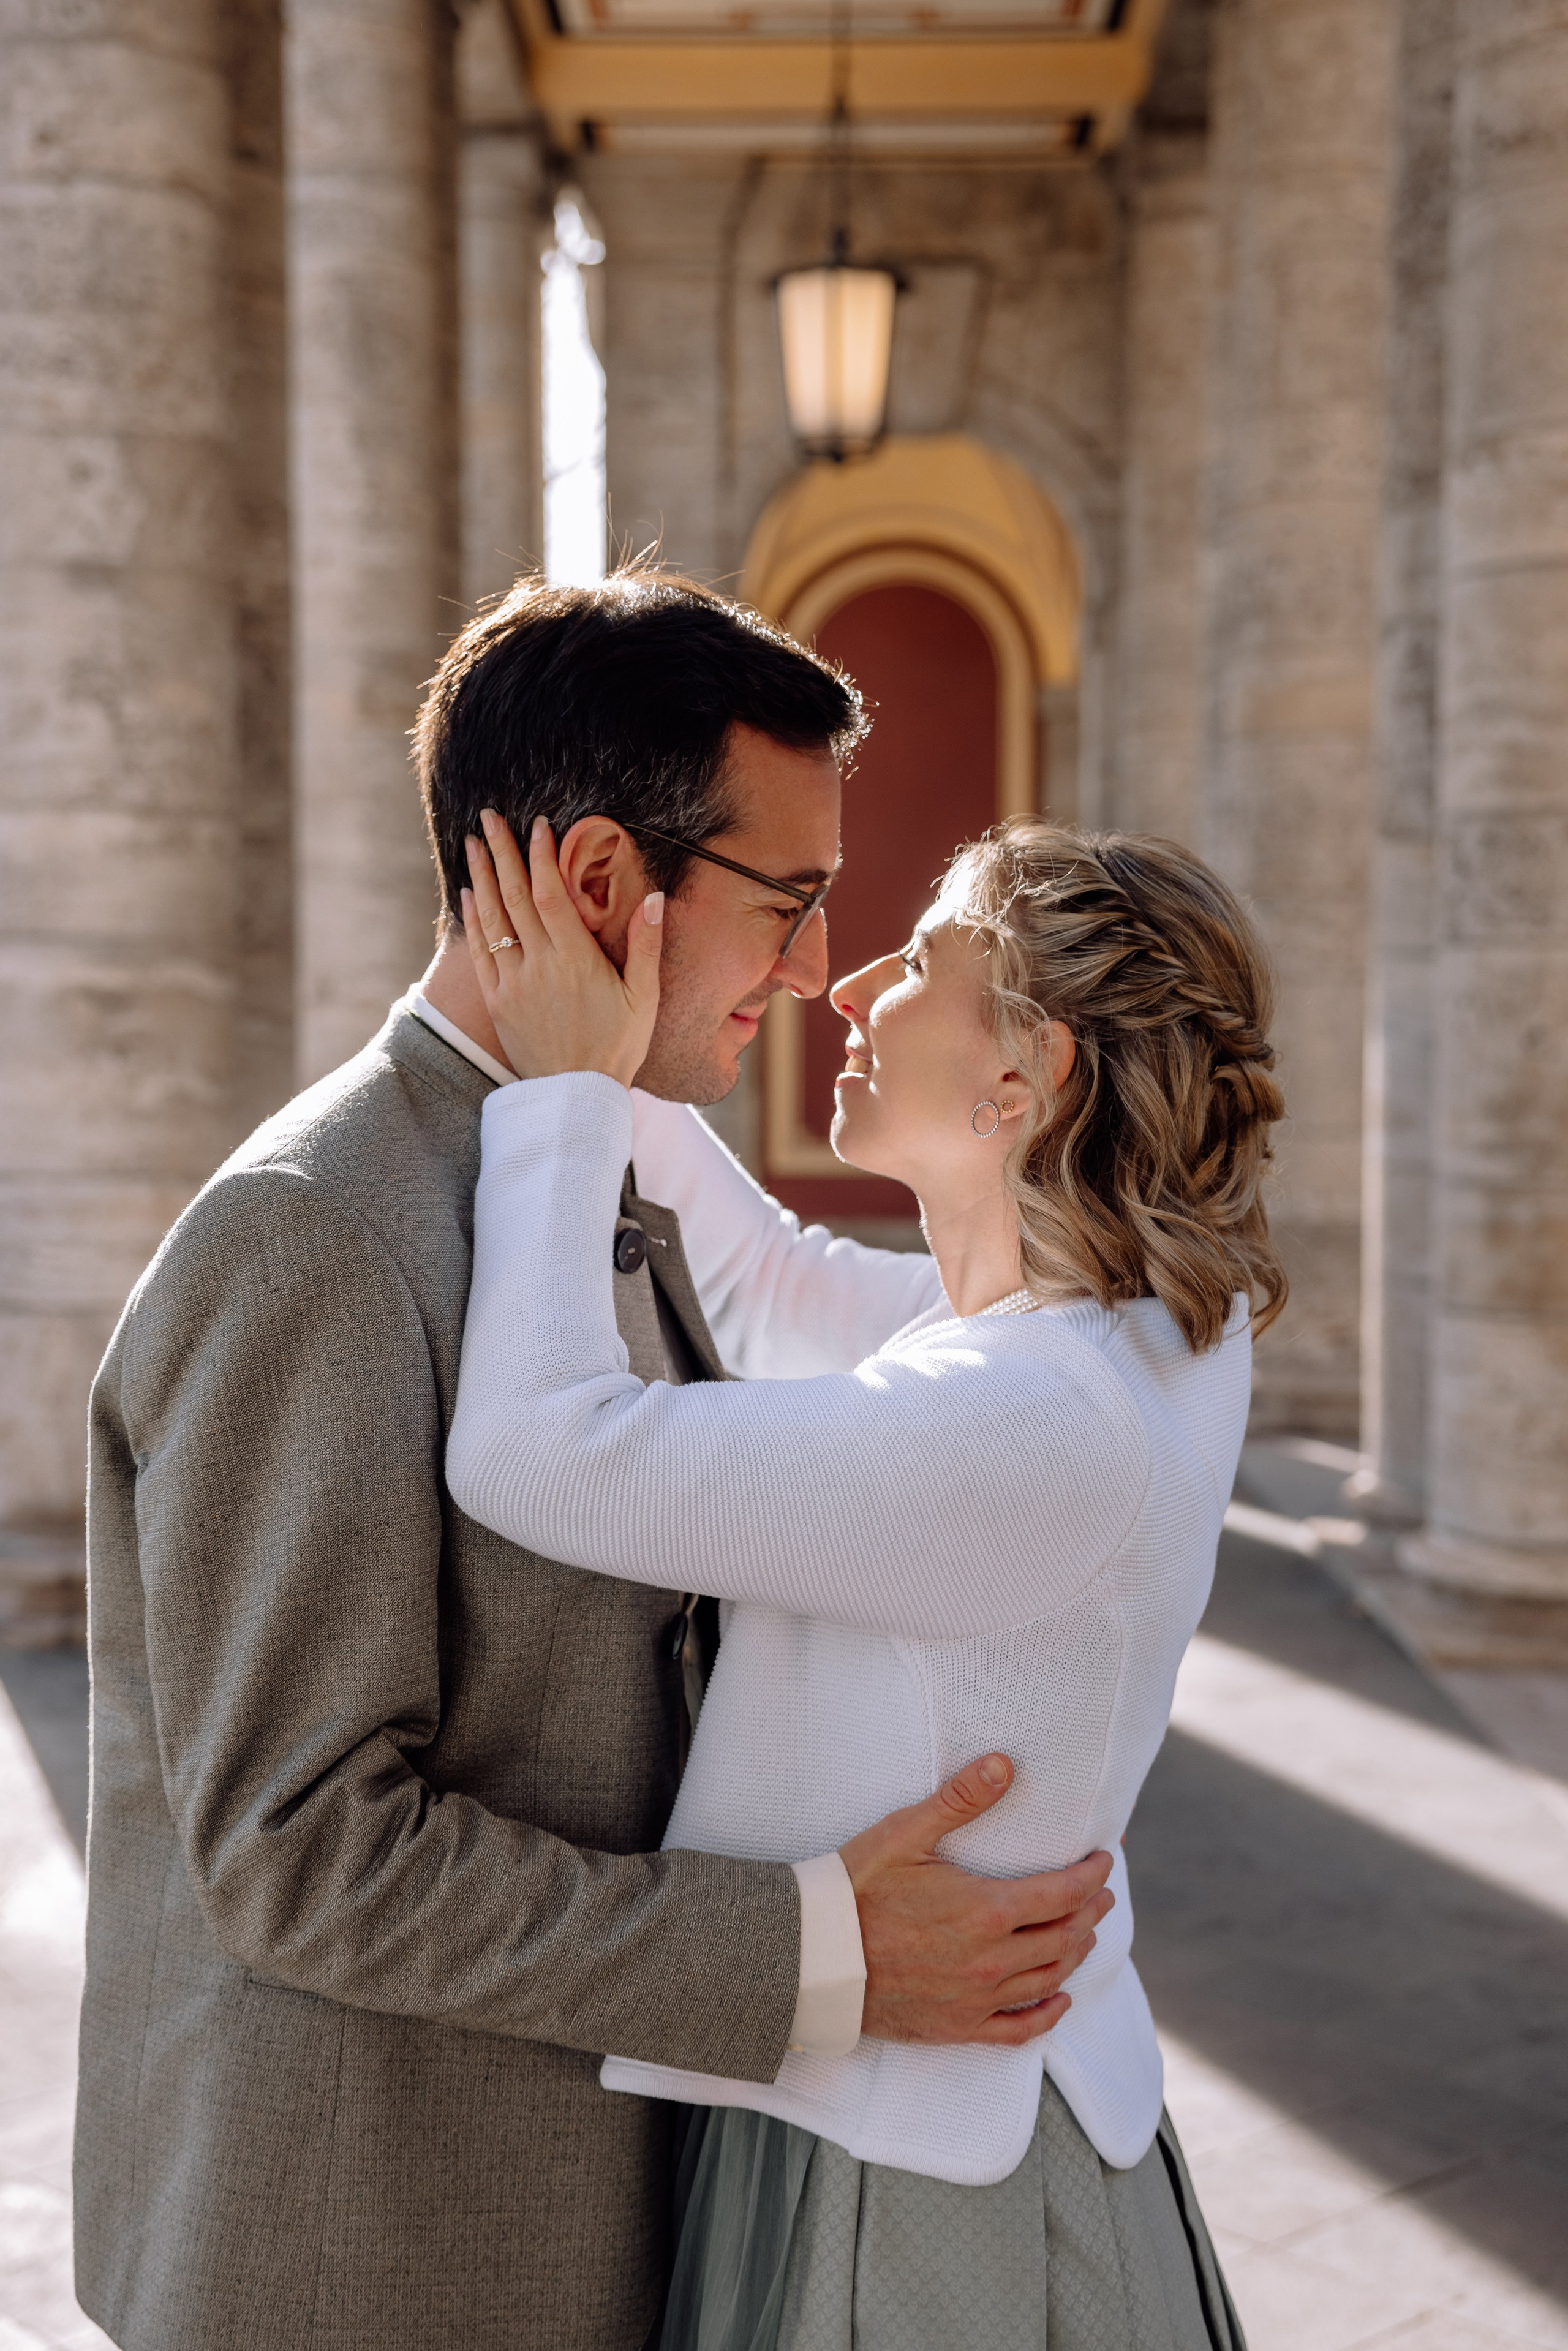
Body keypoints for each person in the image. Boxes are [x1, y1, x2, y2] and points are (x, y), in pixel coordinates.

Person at [74, 571, 1112, 2351]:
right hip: (373, 2257)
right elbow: (299, 1848)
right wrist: (817, 1951)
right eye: (787, 900)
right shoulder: (316, 1235)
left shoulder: (573, 1154)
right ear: (598, 884)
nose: (807, 972)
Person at [446, 804, 1287, 2351]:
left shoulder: (1028, 1424)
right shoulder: (1137, 1330)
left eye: (915, 961)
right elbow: (770, 1281)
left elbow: (537, 1453)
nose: (849, 986)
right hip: (964, 2106)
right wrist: (601, 1008)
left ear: (1022, 1078)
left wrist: (561, 1089)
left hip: (918, 2192)